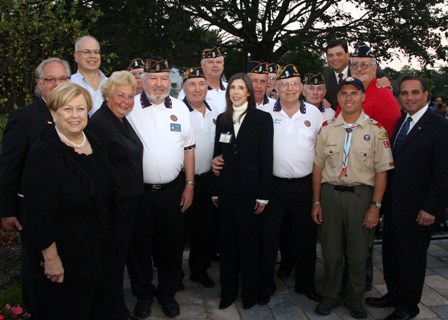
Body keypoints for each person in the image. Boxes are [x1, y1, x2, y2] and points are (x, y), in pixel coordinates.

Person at [22, 82, 118, 320]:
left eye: (81, 108)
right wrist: (51, 259)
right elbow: (39, 213)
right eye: (67, 109)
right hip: (66, 258)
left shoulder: (92, 141)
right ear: (53, 113)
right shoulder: (44, 152)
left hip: (98, 251)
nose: (75, 116)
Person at [365, 76, 448, 320]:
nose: (409, 97)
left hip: (419, 209)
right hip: (394, 206)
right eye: (404, 93)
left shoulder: (440, 126)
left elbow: (443, 174)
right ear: (399, 96)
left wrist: (431, 208)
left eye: (415, 93)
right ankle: (393, 295)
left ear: (425, 95)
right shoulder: (403, 120)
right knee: (391, 255)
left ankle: (408, 306)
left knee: (411, 260)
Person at [312, 77, 394, 318]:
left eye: (354, 93)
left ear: (363, 97)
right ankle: (331, 295)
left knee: (359, 253)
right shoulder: (326, 128)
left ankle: (354, 297)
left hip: (361, 197)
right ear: (338, 98)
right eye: (344, 93)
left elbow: (382, 172)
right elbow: (318, 167)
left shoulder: (376, 131)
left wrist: (375, 206)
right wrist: (316, 201)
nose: (349, 98)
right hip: (330, 196)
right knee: (331, 251)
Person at [0, 57, 71, 313]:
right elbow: (9, 167)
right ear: (39, 84)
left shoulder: (75, 113)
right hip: (34, 212)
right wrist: (7, 210)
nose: (56, 84)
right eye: (49, 79)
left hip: (68, 211)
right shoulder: (23, 118)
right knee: (38, 270)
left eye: (62, 78)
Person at [126, 57, 195, 318]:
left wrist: (190, 185)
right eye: (153, 78)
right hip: (139, 194)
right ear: (143, 81)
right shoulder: (129, 107)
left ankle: (167, 294)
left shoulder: (180, 107)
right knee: (139, 248)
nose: (159, 83)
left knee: (171, 246)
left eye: (164, 78)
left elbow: (189, 148)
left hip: (172, 191)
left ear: (170, 81)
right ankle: (143, 295)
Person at [259, 64, 324, 304]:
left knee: (306, 239)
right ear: (275, 87)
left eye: (294, 84)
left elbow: (321, 152)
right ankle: (266, 285)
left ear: (301, 88)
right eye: (284, 84)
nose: (289, 89)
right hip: (273, 187)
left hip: (304, 187)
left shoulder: (315, 114)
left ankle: (305, 284)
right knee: (268, 238)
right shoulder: (264, 111)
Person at [212, 73, 273, 310]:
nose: (235, 92)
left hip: (250, 193)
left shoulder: (262, 119)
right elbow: (217, 155)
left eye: (240, 88)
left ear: (248, 92)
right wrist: (215, 191)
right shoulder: (223, 119)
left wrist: (264, 194)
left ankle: (250, 292)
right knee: (227, 245)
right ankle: (227, 293)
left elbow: (266, 158)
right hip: (226, 192)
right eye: (232, 88)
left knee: (249, 244)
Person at [87, 71, 143, 320]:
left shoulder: (119, 119)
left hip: (128, 205)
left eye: (130, 96)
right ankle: (113, 313)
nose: (126, 101)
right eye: (120, 95)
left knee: (118, 262)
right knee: (111, 264)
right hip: (114, 209)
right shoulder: (100, 123)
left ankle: (116, 308)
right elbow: (97, 172)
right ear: (108, 95)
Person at [181, 67, 218, 288]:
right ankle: (174, 275)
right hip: (184, 181)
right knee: (178, 230)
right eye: (192, 84)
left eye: (202, 84)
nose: (197, 89)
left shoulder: (215, 113)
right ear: (184, 87)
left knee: (204, 230)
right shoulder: (178, 112)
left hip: (208, 180)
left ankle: (199, 270)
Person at [347, 42, 401, 137]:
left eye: (365, 65)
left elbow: (386, 136)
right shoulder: (347, 91)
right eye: (355, 64)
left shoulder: (383, 95)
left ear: (374, 68)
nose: (359, 69)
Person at [324, 39, 392, 110]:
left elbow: (391, 83)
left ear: (348, 55)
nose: (335, 58)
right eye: (331, 55)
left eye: (339, 54)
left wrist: (389, 86)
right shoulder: (324, 80)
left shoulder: (364, 70)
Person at [178, 47, 227, 113]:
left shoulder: (231, 88)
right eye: (210, 62)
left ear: (223, 65)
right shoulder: (188, 91)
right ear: (202, 65)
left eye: (218, 62)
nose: (215, 65)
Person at [71, 35, 107, 116]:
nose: (92, 56)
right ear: (76, 56)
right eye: (86, 52)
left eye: (96, 52)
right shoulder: (68, 85)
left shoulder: (112, 84)